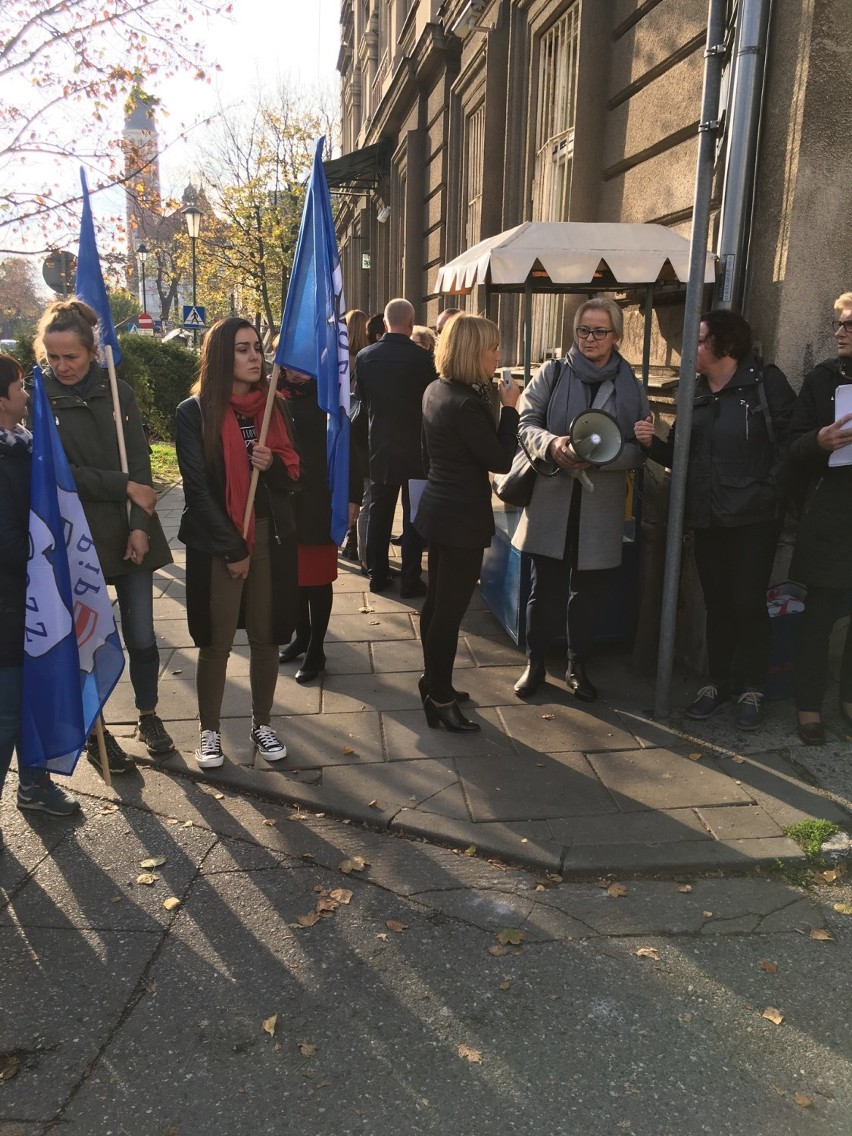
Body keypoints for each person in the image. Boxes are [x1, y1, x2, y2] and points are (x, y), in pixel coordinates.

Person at [637, 310, 795, 729]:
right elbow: (682, 458)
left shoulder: (765, 384)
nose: (692, 348)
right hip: (707, 517)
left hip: (754, 519)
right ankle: (719, 683)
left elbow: (791, 444)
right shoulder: (694, 393)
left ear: (725, 345)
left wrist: (767, 492)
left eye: (700, 339)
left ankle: (753, 688)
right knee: (718, 604)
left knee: (747, 602)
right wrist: (653, 445)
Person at [36, 299, 174, 774]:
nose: (61, 366)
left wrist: (139, 525)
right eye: (53, 357)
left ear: (92, 352)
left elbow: (138, 464)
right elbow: (59, 474)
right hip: (75, 538)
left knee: (140, 636)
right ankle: (97, 733)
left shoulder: (119, 392)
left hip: (128, 531)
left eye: (69, 356)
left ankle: (149, 715)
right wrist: (120, 486)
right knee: (85, 641)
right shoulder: (41, 398)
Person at [175, 318, 300, 768]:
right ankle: (209, 730)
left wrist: (273, 467)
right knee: (217, 639)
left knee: (266, 636)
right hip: (219, 541)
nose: (254, 357)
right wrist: (234, 548)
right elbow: (197, 491)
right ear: (221, 356)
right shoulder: (194, 413)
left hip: (270, 536)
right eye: (243, 349)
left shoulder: (274, 408)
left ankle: (262, 723)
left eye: (256, 348)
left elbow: (292, 477)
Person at [513, 297, 651, 701]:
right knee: (544, 590)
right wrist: (553, 444)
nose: (590, 339)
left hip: (600, 506)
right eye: (583, 331)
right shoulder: (552, 373)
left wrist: (601, 458)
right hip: (553, 499)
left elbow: (639, 449)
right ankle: (535, 662)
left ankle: (577, 665)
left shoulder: (631, 386)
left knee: (588, 595)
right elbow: (525, 424)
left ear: (617, 337)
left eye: (599, 331)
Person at [415, 316, 520, 731]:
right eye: (493, 347)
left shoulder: (437, 389)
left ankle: (433, 681)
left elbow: (431, 452)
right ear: (475, 352)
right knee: (448, 611)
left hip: (439, 508)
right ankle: (439, 696)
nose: (498, 355)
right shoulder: (465, 402)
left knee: (437, 603)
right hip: (459, 517)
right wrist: (510, 409)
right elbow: (499, 458)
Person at [0, 354, 80, 830]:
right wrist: (51, 556)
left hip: (30, 603)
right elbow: (10, 543)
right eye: (18, 386)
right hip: (10, 608)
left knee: (33, 699)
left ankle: (34, 787)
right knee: (9, 712)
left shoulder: (24, 448)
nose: (27, 394)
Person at [784, 293, 852, 744]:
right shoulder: (822, 378)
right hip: (832, 518)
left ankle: (849, 698)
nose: (839, 331)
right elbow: (792, 445)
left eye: (850, 325)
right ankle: (808, 705)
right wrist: (819, 443)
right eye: (838, 323)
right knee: (818, 620)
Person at [354, 297, 437, 597]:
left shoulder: (365, 357)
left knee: (380, 513)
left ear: (386, 323)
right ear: (412, 323)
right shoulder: (426, 360)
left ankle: (377, 574)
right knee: (414, 514)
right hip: (417, 448)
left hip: (381, 446)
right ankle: (411, 578)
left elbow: (362, 400)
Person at [277, 369, 338, 683]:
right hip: (285, 499)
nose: (293, 370)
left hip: (318, 499)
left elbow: (345, 446)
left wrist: (351, 498)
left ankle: (317, 649)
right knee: (295, 577)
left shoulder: (327, 395)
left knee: (317, 579)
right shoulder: (275, 394)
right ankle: (301, 637)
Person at [340, 309, 369, 563]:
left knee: (344, 479)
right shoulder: (366, 357)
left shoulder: (339, 357)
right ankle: (354, 539)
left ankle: (346, 535)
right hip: (361, 423)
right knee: (359, 483)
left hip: (341, 420)